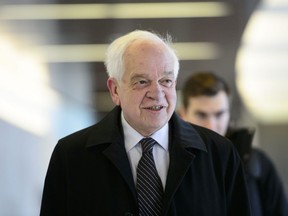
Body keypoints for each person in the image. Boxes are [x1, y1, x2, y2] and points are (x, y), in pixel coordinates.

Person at [40, 30, 252, 216]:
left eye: (166, 81)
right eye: (142, 82)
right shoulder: (71, 155)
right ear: (115, 90)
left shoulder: (219, 153)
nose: (157, 94)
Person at [179, 71, 288, 216]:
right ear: (183, 114)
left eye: (219, 114)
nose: (211, 125)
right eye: (201, 115)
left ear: (229, 114)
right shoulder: (170, 163)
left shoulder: (257, 164)